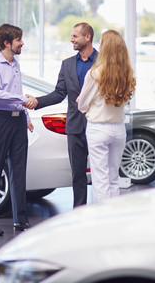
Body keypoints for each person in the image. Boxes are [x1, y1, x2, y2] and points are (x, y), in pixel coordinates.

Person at [24, 22, 97, 207]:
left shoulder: (103, 61)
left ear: (87, 37)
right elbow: (59, 93)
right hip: (75, 127)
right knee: (78, 174)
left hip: (99, 124)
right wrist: (37, 102)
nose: (71, 39)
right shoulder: (67, 64)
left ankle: (101, 212)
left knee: (101, 173)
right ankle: (79, 211)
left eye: (75, 36)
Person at [0, 23, 34, 235]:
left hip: (18, 119)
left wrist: (27, 114)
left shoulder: (15, 64)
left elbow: (16, 91)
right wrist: (24, 100)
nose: (22, 43)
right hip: (0, 120)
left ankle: (20, 220)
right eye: (18, 40)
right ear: (6, 42)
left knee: (19, 170)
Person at [76, 30, 135, 202]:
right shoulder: (127, 73)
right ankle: (113, 217)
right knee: (113, 178)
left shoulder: (95, 73)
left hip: (98, 129)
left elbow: (82, 105)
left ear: (105, 47)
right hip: (119, 130)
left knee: (100, 179)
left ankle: (102, 220)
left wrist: (84, 99)